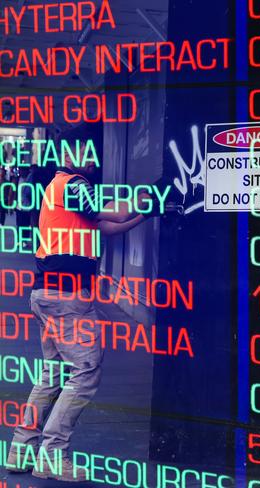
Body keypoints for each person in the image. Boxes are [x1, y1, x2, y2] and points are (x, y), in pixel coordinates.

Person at [7, 123, 152, 482]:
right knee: (85, 373)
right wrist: (154, 197)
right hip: (68, 298)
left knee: (52, 375)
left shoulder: (61, 191)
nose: (93, 160)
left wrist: (146, 214)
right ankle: (52, 456)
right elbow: (111, 212)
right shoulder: (73, 185)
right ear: (70, 155)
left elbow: (107, 225)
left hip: (47, 295)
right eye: (87, 153)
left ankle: (21, 449)